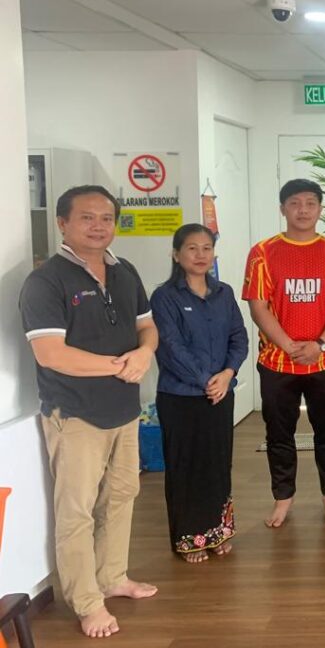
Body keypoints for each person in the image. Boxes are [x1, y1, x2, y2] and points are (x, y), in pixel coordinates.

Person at [19, 185, 159, 639]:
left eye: (106, 218)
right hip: (75, 413)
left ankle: (112, 576)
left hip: (124, 408)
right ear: (62, 223)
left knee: (121, 495)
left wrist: (144, 353)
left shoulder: (124, 271)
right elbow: (50, 354)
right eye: (87, 217)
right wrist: (122, 366)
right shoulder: (46, 280)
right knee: (76, 511)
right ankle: (86, 601)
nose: (99, 226)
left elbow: (146, 326)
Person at [242, 178, 325, 528]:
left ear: (320, 208)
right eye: (294, 203)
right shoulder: (263, 252)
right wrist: (289, 346)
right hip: (277, 362)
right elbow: (258, 306)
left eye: (310, 203)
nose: (303, 210)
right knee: (278, 434)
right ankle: (282, 499)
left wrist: (320, 345)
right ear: (282, 208)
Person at [150, 224, 248, 563]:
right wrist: (208, 381)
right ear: (176, 254)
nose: (201, 255)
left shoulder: (224, 293)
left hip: (221, 393)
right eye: (192, 248)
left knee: (217, 464)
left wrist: (228, 374)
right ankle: (190, 538)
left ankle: (217, 533)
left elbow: (239, 338)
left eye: (207, 248)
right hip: (181, 397)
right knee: (186, 467)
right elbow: (170, 347)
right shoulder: (165, 297)